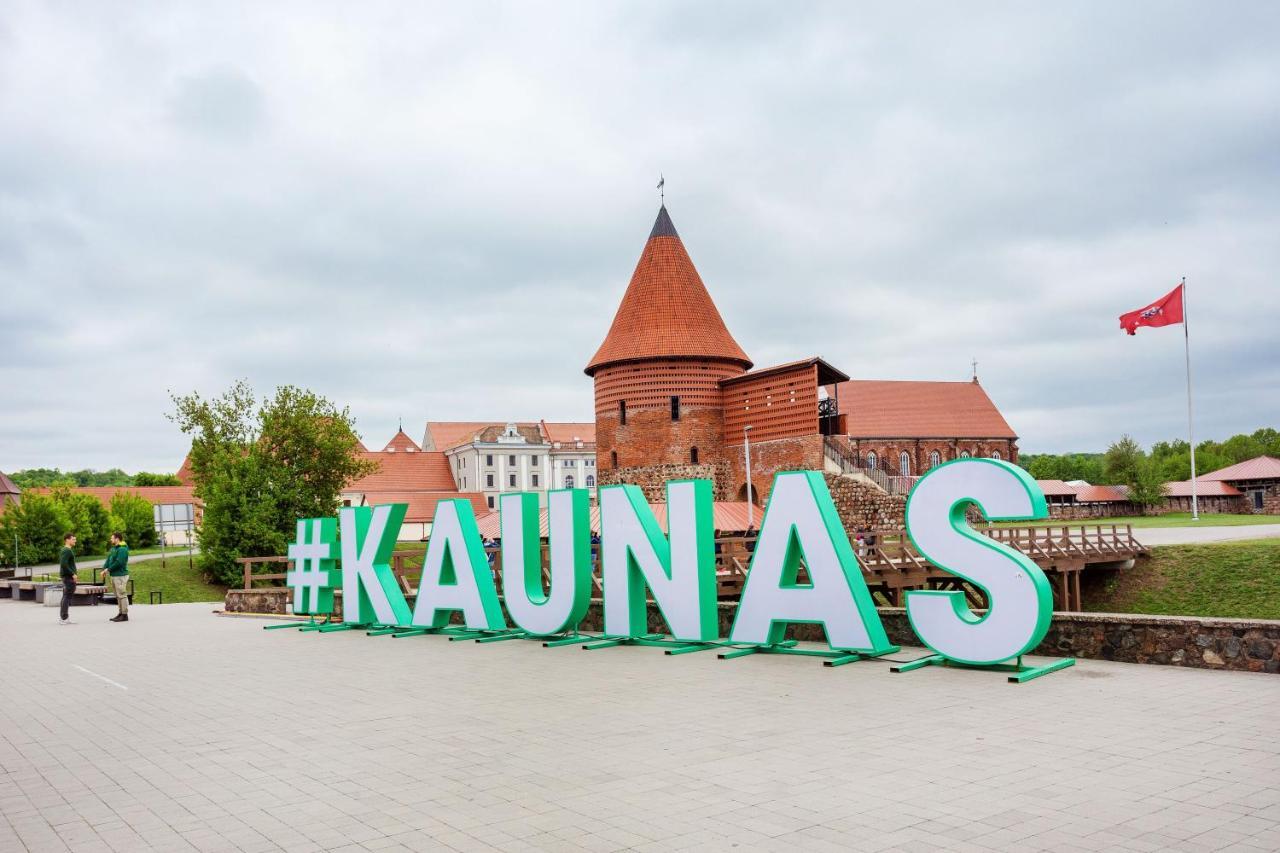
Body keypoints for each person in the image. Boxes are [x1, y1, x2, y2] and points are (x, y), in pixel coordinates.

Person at [101, 532, 130, 622]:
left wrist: (108, 569)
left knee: (121, 595)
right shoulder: (114, 549)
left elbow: (119, 562)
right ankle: (120, 613)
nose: (111, 539)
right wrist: (104, 569)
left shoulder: (122, 549)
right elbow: (109, 559)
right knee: (118, 595)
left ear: (117, 539)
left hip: (120, 576)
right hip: (114, 575)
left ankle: (124, 615)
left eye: (112, 538)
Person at [58, 533, 77, 624]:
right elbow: (64, 564)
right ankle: (64, 618)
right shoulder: (66, 550)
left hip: (67, 576)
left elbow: (65, 564)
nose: (75, 541)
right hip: (68, 577)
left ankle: (64, 617)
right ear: (67, 540)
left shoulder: (66, 550)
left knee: (66, 596)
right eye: (73, 539)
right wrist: (72, 574)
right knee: (66, 597)